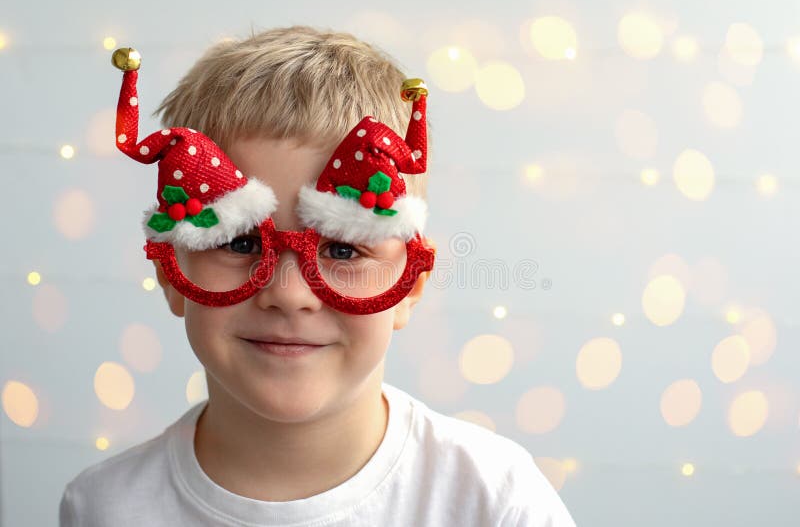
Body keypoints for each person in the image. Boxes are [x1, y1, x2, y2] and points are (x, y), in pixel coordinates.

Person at [59, 26, 576, 526]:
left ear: (410, 286)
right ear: (171, 271)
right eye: (240, 243)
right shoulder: (104, 508)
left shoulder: (495, 500)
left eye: (344, 249)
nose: (289, 294)